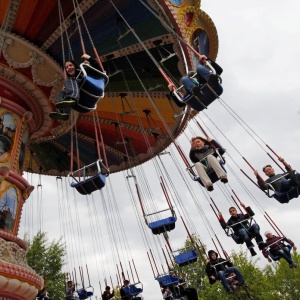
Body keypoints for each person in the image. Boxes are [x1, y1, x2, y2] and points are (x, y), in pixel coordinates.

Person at [49, 54, 100, 121]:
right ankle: (62, 112)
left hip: (88, 94)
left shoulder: (83, 72)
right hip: (80, 104)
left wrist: (89, 58)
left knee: (70, 80)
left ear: (75, 66)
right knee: (62, 92)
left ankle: (72, 98)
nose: (68, 68)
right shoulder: (70, 82)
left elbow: (99, 70)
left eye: (70, 65)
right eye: (66, 67)